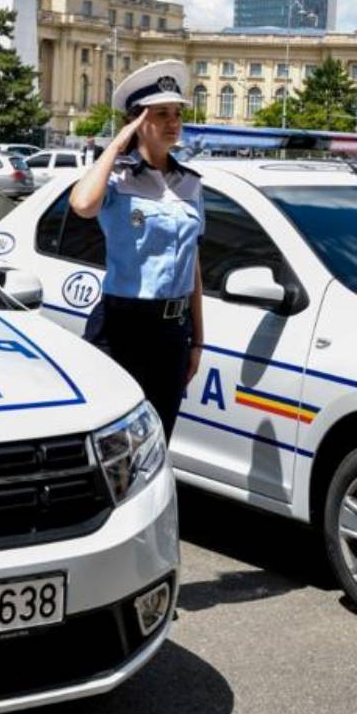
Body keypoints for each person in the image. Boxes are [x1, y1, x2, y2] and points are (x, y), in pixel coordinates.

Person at [69, 60, 203, 437]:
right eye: (161, 114)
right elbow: (82, 205)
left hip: (173, 332)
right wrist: (116, 143)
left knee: (159, 437)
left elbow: (194, 264)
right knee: (115, 441)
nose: (173, 122)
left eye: (177, 113)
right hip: (123, 325)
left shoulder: (189, 183)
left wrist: (197, 340)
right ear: (137, 121)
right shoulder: (116, 179)